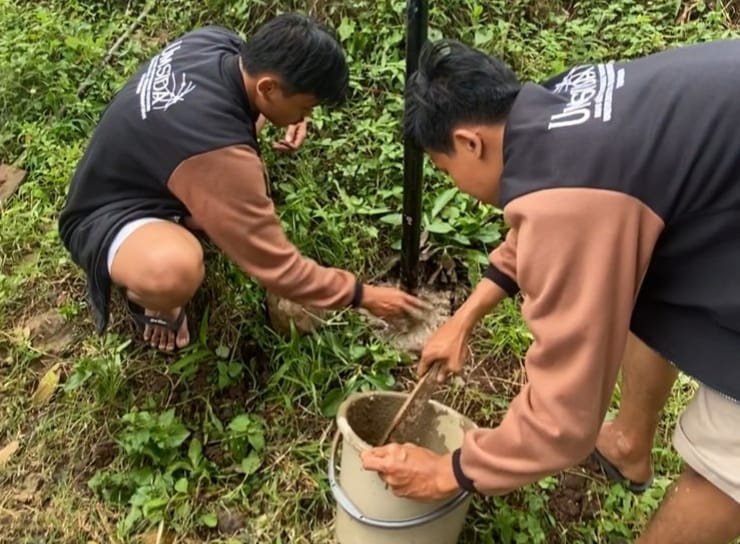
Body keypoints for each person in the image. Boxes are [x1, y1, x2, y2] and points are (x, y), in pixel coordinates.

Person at [361, 39, 740, 543]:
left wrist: (447, 472)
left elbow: (565, 417)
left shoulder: (574, 203)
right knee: (640, 276)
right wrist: (464, 318)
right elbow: (552, 223)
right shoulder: (557, 102)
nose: (455, 185)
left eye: (445, 170)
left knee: (725, 461)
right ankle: (629, 443)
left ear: (470, 142)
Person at [59, 14, 424, 351]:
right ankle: (151, 298)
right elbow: (278, 267)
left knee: (236, 179)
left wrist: (290, 113)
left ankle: (184, 217)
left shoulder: (217, 42)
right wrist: (363, 295)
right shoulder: (218, 150)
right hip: (105, 213)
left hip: (150, 166)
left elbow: (244, 107)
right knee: (175, 271)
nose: (306, 117)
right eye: (304, 107)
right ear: (269, 88)